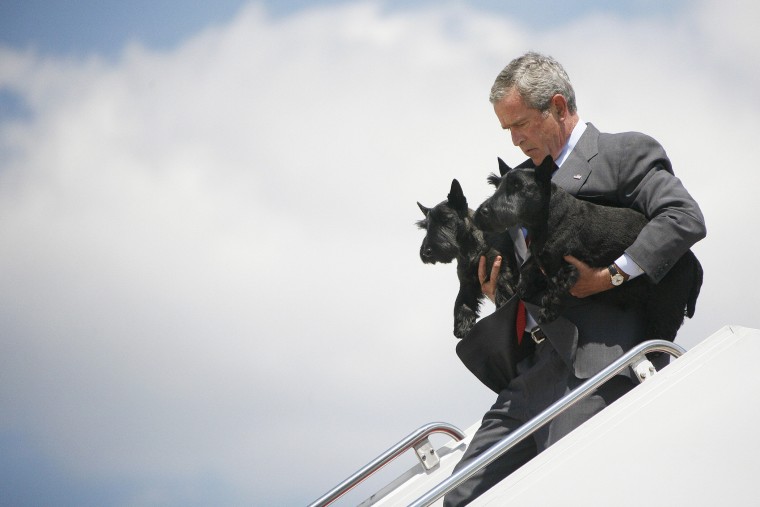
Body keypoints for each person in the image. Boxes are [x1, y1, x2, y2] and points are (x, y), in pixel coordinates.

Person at [443, 52, 706, 506]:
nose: (515, 138)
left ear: (559, 107)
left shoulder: (623, 152)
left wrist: (612, 276)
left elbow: (683, 218)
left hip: (600, 365)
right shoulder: (520, 182)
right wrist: (499, 291)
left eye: (521, 124)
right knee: (456, 495)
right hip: (532, 373)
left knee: (559, 491)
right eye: (507, 129)